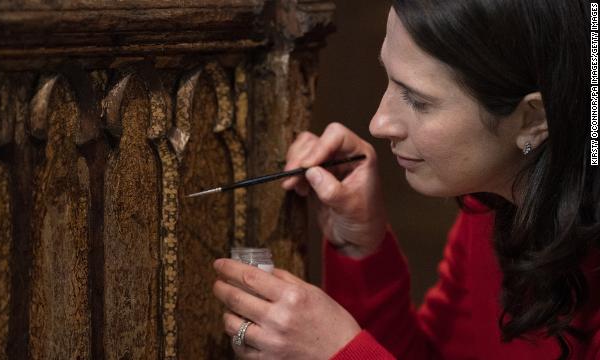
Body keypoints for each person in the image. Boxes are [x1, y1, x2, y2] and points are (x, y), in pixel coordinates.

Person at [212, 0, 600, 359]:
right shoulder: (491, 206)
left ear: (532, 119)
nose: (379, 123)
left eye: (418, 100)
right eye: (390, 79)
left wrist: (339, 351)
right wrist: (363, 249)